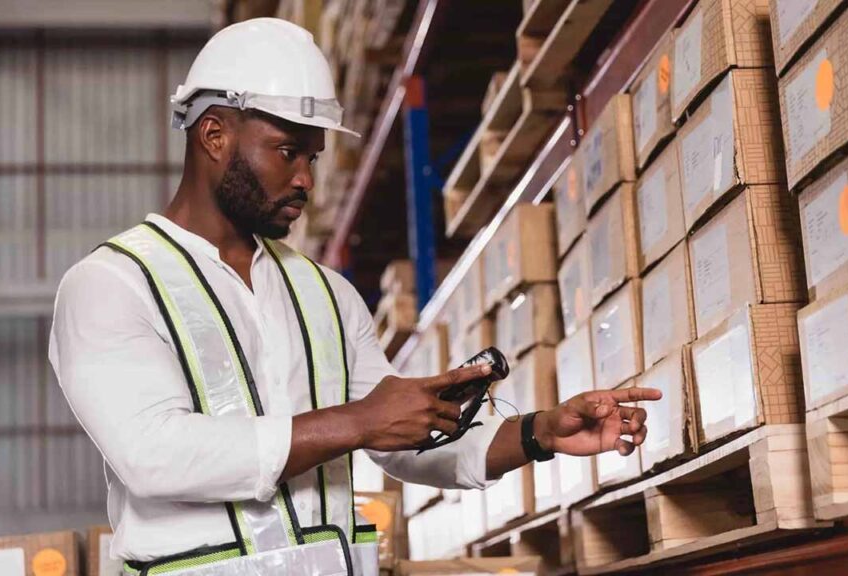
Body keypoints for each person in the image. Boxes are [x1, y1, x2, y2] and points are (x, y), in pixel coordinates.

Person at [49, 17, 661, 576]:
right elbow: (153, 456)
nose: (305, 180)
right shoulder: (112, 284)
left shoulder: (326, 295)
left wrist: (539, 434)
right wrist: (361, 419)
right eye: (287, 152)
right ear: (214, 134)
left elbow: (405, 441)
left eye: (313, 157)